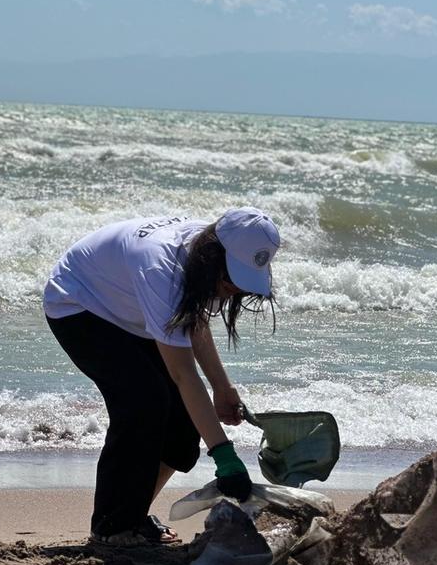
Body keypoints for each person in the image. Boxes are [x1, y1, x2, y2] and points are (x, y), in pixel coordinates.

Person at [43, 207, 279, 546]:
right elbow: (184, 374)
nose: (232, 291)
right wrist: (224, 456)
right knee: (144, 403)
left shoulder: (203, 254)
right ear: (214, 256)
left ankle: (132, 513)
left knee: (184, 424)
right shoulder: (162, 267)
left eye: (242, 284)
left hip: (130, 308)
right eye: (230, 281)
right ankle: (112, 527)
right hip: (78, 303)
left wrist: (221, 387)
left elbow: (189, 319)